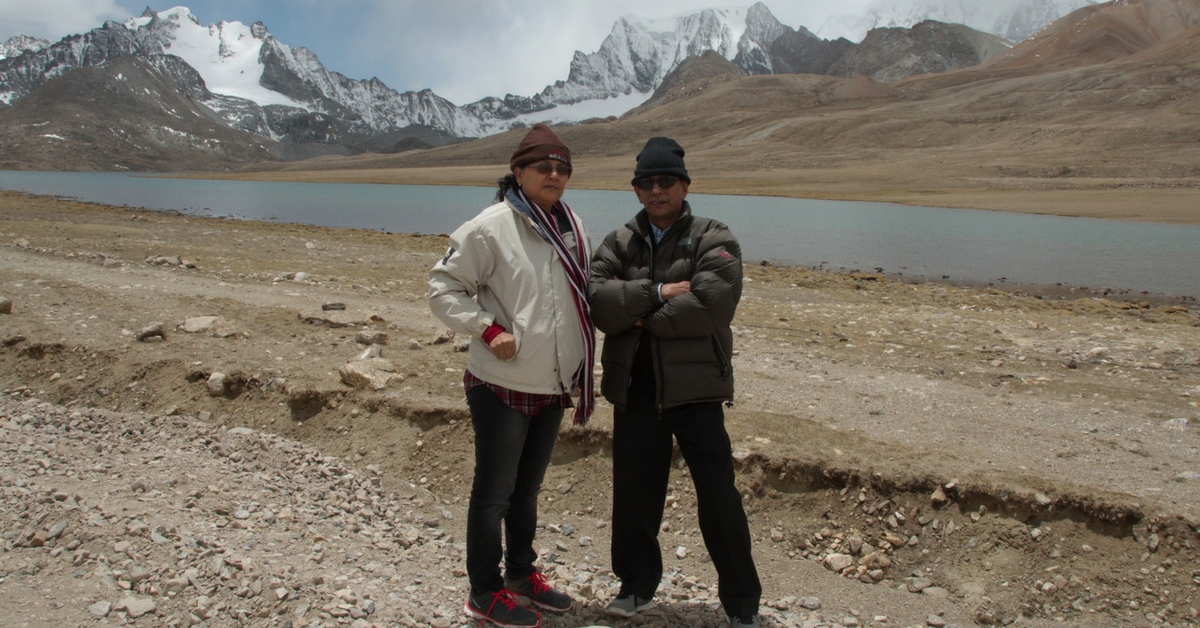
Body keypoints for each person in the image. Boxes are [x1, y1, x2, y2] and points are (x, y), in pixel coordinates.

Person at [589, 137, 762, 627]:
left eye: (666, 181)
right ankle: (636, 588)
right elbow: (598, 300)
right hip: (636, 390)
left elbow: (713, 304)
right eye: (646, 182)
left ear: (684, 185)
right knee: (634, 495)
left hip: (697, 391)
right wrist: (659, 292)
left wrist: (638, 316)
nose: (656, 190)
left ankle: (742, 604)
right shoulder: (621, 239)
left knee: (719, 497)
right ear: (637, 190)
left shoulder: (714, 235)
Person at [428, 123, 595, 628]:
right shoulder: (490, 226)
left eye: (562, 167)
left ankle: (522, 575)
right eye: (543, 166)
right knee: (494, 492)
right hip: (501, 381)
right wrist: (486, 327)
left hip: (552, 382)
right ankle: (483, 592)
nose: (554, 174)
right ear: (518, 172)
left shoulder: (571, 225)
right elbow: (442, 287)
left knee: (527, 491)